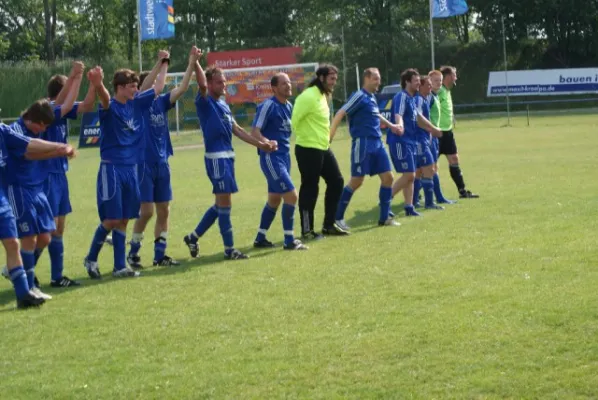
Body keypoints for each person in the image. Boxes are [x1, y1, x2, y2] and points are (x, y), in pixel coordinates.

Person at [83, 50, 170, 279]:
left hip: (131, 170)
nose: (135, 89)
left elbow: (158, 86)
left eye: (135, 86)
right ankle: (91, 258)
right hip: (111, 168)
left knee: (123, 219)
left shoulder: (138, 103)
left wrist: (162, 63)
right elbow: (102, 96)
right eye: (131, 86)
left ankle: (120, 266)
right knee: (111, 220)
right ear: (120, 88)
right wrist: (99, 83)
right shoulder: (111, 106)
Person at [183, 64, 276, 260]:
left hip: (228, 157)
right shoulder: (205, 100)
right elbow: (200, 83)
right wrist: (196, 62)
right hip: (216, 159)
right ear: (209, 84)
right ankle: (230, 249)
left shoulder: (224, 104)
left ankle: (193, 237)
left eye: (224, 81)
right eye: (219, 82)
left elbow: (239, 130)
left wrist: (261, 144)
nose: (223, 84)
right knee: (225, 205)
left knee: (220, 205)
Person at [126, 47, 201, 269]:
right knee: (146, 211)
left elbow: (183, 87)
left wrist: (190, 64)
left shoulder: (160, 102)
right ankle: (133, 253)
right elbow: (149, 86)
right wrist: (163, 63)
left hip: (161, 162)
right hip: (143, 163)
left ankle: (160, 255)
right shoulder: (137, 104)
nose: (159, 84)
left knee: (164, 210)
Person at [1, 110, 77, 308]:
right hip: (18, 189)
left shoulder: (3, 130)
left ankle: (24, 294)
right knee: (25, 240)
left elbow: (29, 145)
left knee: (14, 243)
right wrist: (60, 148)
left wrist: (59, 148)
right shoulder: (13, 127)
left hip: (8, 194)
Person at [36, 62, 97, 287]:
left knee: (59, 228)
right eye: (71, 88)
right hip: (47, 175)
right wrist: (75, 77)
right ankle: (21, 268)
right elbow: (62, 101)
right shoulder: (48, 109)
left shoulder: (64, 109)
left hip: (60, 174)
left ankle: (56, 277)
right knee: (47, 228)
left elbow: (88, 105)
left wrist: (93, 83)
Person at [329, 67, 401, 229]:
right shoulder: (359, 96)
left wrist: (392, 125)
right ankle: (337, 218)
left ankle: (384, 217)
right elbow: (341, 112)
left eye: (379, 78)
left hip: (377, 142)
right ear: (366, 79)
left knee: (388, 178)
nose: (378, 82)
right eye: (375, 78)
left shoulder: (371, 97)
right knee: (357, 180)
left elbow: (376, 114)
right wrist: (330, 136)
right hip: (363, 143)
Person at [251, 73, 308, 251]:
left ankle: (260, 238)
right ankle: (289, 240)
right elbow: (255, 131)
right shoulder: (268, 105)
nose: (288, 86)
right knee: (291, 196)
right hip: (271, 158)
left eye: (289, 83)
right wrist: (266, 142)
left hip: (285, 158)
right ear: (274, 88)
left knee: (275, 199)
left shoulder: (289, 106)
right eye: (284, 84)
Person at [291, 64, 347, 240]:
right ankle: (307, 230)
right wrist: (308, 136)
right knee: (310, 188)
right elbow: (294, 121)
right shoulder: (308, 96)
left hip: (323, 148)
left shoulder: (323, 96)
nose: (333, 83)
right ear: (321, 78)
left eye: (335, 79)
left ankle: (329, 225)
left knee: (336, 181)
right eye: (331, 79)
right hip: (308, 149)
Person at [387, 68, 442, 216]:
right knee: (410, 175)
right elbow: (398, 114)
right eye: (416, 81)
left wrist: (432, 128)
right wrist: (399, 125)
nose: (419, 83)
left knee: (410, 175)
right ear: (407, 82)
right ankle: (385, 200)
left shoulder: (412, 99)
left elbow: (418, 118)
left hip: (410, 141)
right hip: (400, 141)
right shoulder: (402, 96)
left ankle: (409, 207)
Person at [437, 66, 479, 198]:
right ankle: (417, 194)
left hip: (448, 133)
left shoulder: (447, 91)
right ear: (448, 76)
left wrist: (451, 117)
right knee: (427, 166)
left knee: (454, 159)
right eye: (454, 75)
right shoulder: (439, 91)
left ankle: (462, 191)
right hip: (436, 133)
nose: (456, 78)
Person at [412, 75, 445, 210]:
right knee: (429, 169)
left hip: (425, 139)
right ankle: (429, 202)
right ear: (421, 86)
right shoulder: (419, 100)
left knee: (420, 171)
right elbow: (418, 120)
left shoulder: (425, 99)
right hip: (420, 140)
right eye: (428, 85)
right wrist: (432, 129)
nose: (431, 87)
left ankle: (414, 201)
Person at [427, 70, 455, 204]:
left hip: (434, 137)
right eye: (435, 80)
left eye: (440, 80)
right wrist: (431, 130)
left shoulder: (436, 96)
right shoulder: (428, 97)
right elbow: (421, 117)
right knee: (424, 169)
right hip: (428, 137)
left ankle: (437, 197)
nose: (438, 83)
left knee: (430, 168)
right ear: (429, 81)